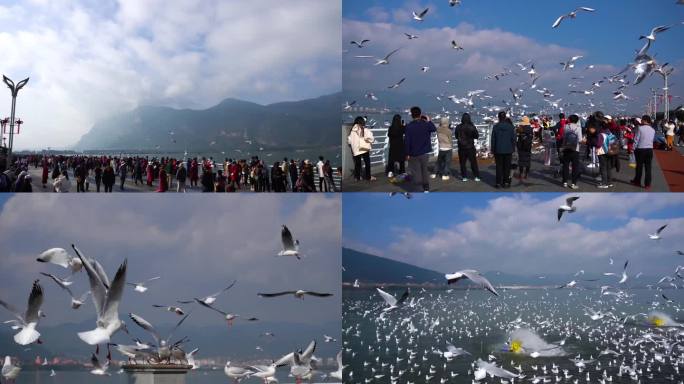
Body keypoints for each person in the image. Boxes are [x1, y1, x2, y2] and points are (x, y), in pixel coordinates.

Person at [404, 107, 436, 192]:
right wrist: (429, 120)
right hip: (424, 153)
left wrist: (406, 154)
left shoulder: (409, 126)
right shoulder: (426, 124)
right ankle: (426, 188)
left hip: (413, 153)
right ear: (420, 114)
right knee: (424, 170)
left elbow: (407, 141)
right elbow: (434, 129)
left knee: (416, 171)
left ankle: (418, 188)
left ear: (411, 114)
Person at [490, 111, 516, 188]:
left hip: (498, 150)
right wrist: (513, 148)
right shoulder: (511, 127)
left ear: (499, 117)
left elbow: (493, 139)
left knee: (499, 166)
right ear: (505, 117)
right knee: (507, 166)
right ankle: (506, 182)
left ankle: (498, 183)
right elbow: (514, 139)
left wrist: (492, 149)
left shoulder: (496, 127)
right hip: (508, 149)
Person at [631, 115, 656, 190]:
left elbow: (636, 139)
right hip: (649, 150)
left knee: (639, 167)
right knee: (648, 168)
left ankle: (637, 181)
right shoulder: (653, 130)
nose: (641, 121)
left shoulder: (640, 128)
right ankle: (647, 184)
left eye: (642, 120)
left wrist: (633, 148)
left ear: (645, 120)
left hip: (641, 149)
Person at [347, 116, 374, 182]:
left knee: (357, 164)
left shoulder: (352, 130)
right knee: (367, 163)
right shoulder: (364, 129)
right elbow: (371, 139)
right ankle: (368, 177)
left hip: (356, 150)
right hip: (364, 148)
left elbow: (349, 141)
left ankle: (357, 177)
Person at [455, 112, 480, 182]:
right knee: (473, 162)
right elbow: (476, 136)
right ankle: (476, 176)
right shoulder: (471, 126)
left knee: (462, 163)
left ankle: (464, 177)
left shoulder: (458, 127)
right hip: (470, 147)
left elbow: (456, 136)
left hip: (461, 148)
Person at [561, 114, 582, 189]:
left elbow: (564, 137)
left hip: (566, 148)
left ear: (570, 119)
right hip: (575, 149)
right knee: (575, 167)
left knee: (565, 165)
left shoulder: (565, 126)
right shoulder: (578, 128)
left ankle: (565, 182)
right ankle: (573, 183)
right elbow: (580, 140)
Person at [432, 117, 453, 181]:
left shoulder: (438, 129)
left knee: (439, 162)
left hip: (441, 147)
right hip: (448, 148)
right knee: (447, 162)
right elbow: (450, 139)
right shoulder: (449, 131)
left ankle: (434, 173)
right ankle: (445, 175)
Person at [516, 116, 533, 180]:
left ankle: (521, 173)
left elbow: (517, 135)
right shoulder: (530, 129)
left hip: (521, 147)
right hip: (528, 146)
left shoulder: (521, 129)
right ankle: (526, 173)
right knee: (528, 160)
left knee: (521, 160)